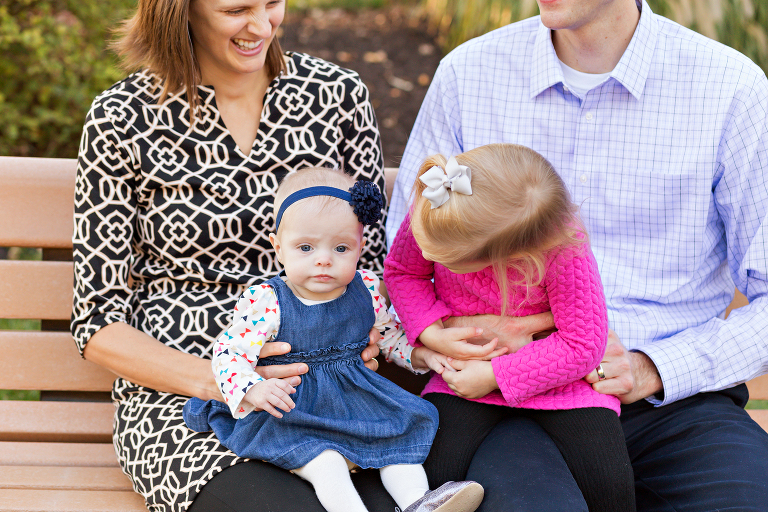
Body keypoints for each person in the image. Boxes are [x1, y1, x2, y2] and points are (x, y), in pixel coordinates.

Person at [386, 0, 768, 510]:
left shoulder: (731, 88)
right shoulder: (468, 72)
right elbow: (409, 252)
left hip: (672, 401)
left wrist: (655, 368)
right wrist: (436, 338)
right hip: (502, 399)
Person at [71, 0, 401, 510]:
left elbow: (369, 263)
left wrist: (369, 342)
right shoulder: (122, 118)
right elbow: (95, 322)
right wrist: (224, 380)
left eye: (271, 3)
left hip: (332, 384)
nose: (261, 25)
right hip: (186, 398)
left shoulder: (336, 97)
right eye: (236, 9)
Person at [182, 167, 485, 512]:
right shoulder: (268, 300)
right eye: (306, 247)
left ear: (360, 247)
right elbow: (228, 352)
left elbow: (387, 337)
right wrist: (253, 388)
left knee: (399, 444)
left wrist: (422, 356)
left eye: (341, 247)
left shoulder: (366, 289)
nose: (324, 259)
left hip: (357, 399)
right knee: (325, 463)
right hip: (294, 409)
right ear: (278, 248)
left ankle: (419, 503)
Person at [384, 143, 635, 511]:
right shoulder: (442, 207)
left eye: (446, 260)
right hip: (462, 376)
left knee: (610, 487)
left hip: (560, 382)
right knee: (431, 471)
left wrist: (496, 375)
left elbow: (582, 345)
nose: (430, 258)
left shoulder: (563, 249)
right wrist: (432, 332)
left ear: (508, 256)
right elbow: (404, 271)